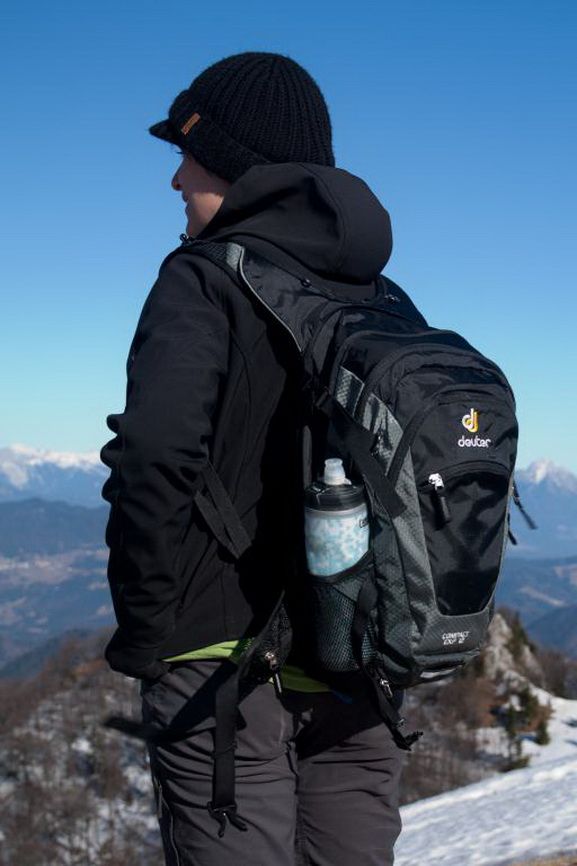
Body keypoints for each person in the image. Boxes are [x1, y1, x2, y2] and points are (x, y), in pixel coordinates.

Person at [101, 51, 404, 866]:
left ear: (236, 167)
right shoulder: (381, 296)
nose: (175, 180)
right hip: (356, 656)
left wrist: (149, 627)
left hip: (218, 666)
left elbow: (155, 454)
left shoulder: (202, 279)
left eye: (187, 156)